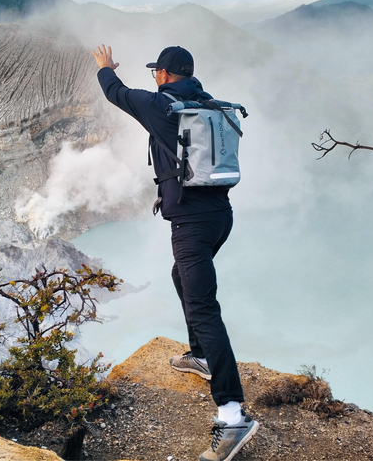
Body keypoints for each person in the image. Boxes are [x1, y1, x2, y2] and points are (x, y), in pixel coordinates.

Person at [91, 44, 258, 461]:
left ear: (163, 74)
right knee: (180, 278)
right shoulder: (207, 104)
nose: (154, 78)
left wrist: (105, 68)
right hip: (221, 215)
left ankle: (233, 414)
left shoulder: (161, 106)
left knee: (204, 307)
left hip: (191, 224)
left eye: (156, 72)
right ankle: (200, 356)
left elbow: (115, 92)